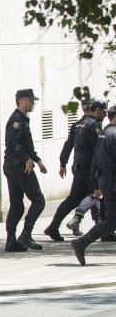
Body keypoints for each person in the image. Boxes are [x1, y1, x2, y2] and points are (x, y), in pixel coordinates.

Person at [45, 100, 107, 241]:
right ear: (96, 110)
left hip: (78, 166)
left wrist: (63, 163)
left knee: (74, 199)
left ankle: (53, 227)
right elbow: (98, 151)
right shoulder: (94, 125)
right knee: (96, 195)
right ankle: (83, 221)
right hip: (89, 168)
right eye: (103, 112)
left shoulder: (77, 124)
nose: (104, 115)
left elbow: (68, 145)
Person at [3, 89, 47, 251]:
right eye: (30, 100)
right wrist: (27, 159)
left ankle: (11, 241)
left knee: (17, 205)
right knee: (38, 200)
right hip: (18, 166)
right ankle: (26, 234)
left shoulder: (23, 119)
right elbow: (12, 144)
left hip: (14, 164)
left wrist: (37, 160)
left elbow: (25, 145)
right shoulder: (17, 120)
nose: (33, 103)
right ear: (21, 100)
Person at [71, 105, 116, 265]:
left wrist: (96, 183)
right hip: (112, 182)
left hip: (105, 181)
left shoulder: (104, 134)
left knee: (111, 221)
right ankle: (81, 242)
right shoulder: (114, 135)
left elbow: (94, 159)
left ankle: (81, 242)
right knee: (112, 221)